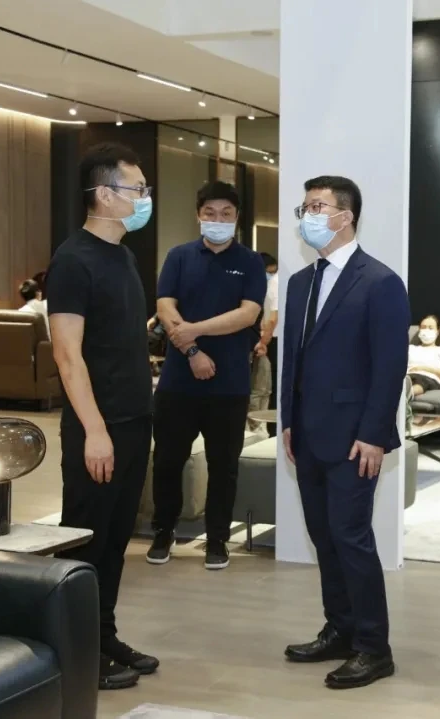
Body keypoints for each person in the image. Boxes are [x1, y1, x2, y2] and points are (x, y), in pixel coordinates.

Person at [281, 175, 409, 690]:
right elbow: (293, 360)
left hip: (356, 438)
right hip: (307, 435)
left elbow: (390, 366)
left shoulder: (380, 282)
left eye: (317, 206)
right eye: (305, 207)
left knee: (351, 538)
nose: (308, 215)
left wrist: (375, 433)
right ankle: (340, 629)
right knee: (324, 538)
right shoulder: (299, 282)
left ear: (345, 216)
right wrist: (287, 421)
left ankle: (374, 648)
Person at [46, 142, 157, 691]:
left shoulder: (124, 256)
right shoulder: (73, 260)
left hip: (134, 421)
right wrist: (94, 430)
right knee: (87, 541)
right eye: (138, 189)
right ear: (106, 194)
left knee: (115, 540)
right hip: (99, 426)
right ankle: (76, 653)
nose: (145, 198)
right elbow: (68, 355)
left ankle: (103, 635)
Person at [148, 180, 266, 571]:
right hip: (178, 382)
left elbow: (248, 314)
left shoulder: (249, 262)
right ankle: (163, 532)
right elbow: (165, 307)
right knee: (168, 461)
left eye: (226, 213)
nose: (218, 219)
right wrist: (193, 351)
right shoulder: (179, 256)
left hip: (229, 383)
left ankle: (217, 540)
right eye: (210, 213)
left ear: (237, 218)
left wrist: (193, 331)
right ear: (198, 215)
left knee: (223, 466)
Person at [249, 252, 279, 434]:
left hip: (269, 340)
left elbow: (272, 318)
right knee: (263, 386)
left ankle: (268, 429)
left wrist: (263, 341)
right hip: (265, 340)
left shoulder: (273, 284)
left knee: (266, 387)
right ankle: (260, 428)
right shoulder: (269, 284)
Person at [407, 314, 440, 396]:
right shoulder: (410, 348)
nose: (426, 330)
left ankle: (408, 394)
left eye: (430, 328)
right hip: (408, 376)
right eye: (423, 327)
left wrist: (424, 369)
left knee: (421, 381)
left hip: (430, 379)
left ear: (438, 331)